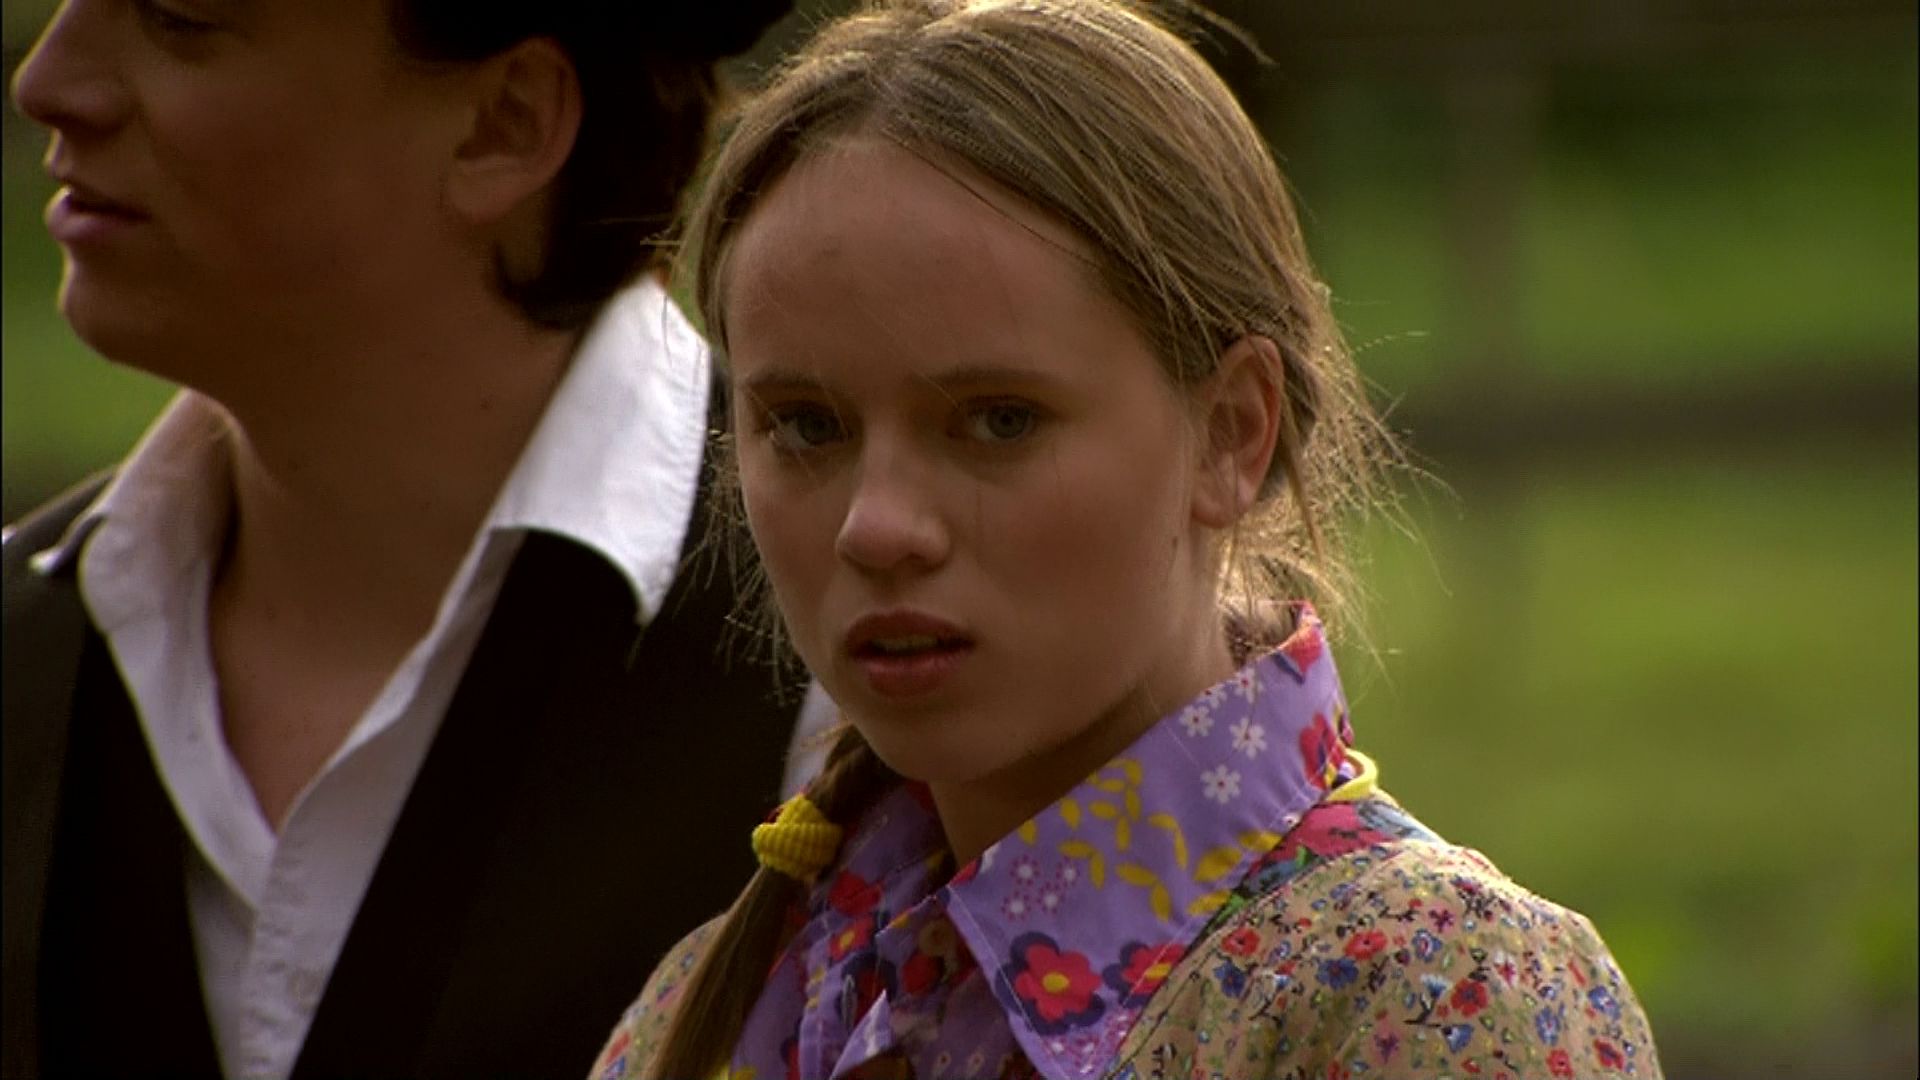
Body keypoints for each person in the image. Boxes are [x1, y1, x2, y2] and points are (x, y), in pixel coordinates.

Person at [588, 2, 1665, 1078]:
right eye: (806, 427)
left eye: (998, 420)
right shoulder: (716, 1010)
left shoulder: (1433, 993)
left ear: (1232, 431)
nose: (877, 526)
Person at [1, 2, 832, 1077]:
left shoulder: (857, 657)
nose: (48, 83)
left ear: (504, 120)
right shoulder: (28, 645)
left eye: (179, 18)